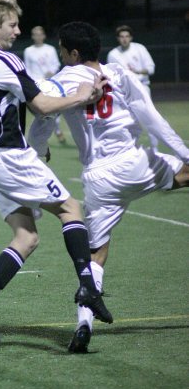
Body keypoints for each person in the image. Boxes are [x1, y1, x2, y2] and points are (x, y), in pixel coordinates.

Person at [0, 0, 113, 348]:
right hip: (10, 157)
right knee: (72, 209)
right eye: (12, 24)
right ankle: (88, 288)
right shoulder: (4, 59)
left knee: (26, 238)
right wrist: (82, 95)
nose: (18, 30)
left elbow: (34, 94)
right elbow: (42, 105)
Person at [28, 21, 189, 353]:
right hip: (136, 164)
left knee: (95, 256)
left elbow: (43, 115)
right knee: (184, 172)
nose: (59, 54)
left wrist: (37, 151)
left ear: (73, 53)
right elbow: (151, 116)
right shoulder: (117, 72)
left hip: (99, 179)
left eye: (61, 48)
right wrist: (184, 151)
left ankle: (83, 325)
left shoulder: (63, 80)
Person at [107, 25, 157, 148]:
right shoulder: (113, 54)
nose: (124, 39)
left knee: (149, 119)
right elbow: (111, 75)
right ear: (118, 38)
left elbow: (151, 68)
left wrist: (138, 72)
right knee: (128, 121)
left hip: (142, 87)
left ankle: (155, 149)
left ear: (131, 37)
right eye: (122, 36)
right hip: (125, 92)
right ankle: (131, 149)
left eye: (127, 36)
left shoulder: (139, 48)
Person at [23, 25, 66, 144]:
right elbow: (27, 68)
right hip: (37, 84)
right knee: (40, 111)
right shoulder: (28, 51)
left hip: (51, 84)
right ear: (32, 36)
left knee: (54, 110)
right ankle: (40, 138)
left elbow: (56, 64)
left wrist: (52, 72)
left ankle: (55, 131)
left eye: (40, 34)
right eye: (35, 34)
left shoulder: (50, 49)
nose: (38, 36)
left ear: (44, 35)